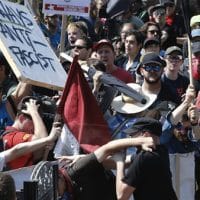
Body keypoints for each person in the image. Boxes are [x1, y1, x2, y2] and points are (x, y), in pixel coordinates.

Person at [57, 134, 155, 200]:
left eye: (56, 190)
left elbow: (106, 149)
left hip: (127, 189)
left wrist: (141, 141)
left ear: (60, 177)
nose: (58, 195)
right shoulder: (68, 192)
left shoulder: (77, 169)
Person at [113, 117, 178, 200]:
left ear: (145, 134)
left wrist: (119, 162)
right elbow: (130, 159)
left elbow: (121, 196)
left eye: (133, 134)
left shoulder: (144, 157)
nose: (130, 139)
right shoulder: (162, 150)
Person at [2, 96, 48, 169]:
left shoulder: (9, 135)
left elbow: (40, 150)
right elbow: (42, 140)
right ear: (21, 118)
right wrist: (34, 112)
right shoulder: (13, 137)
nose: (36, 126)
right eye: (34, 121)